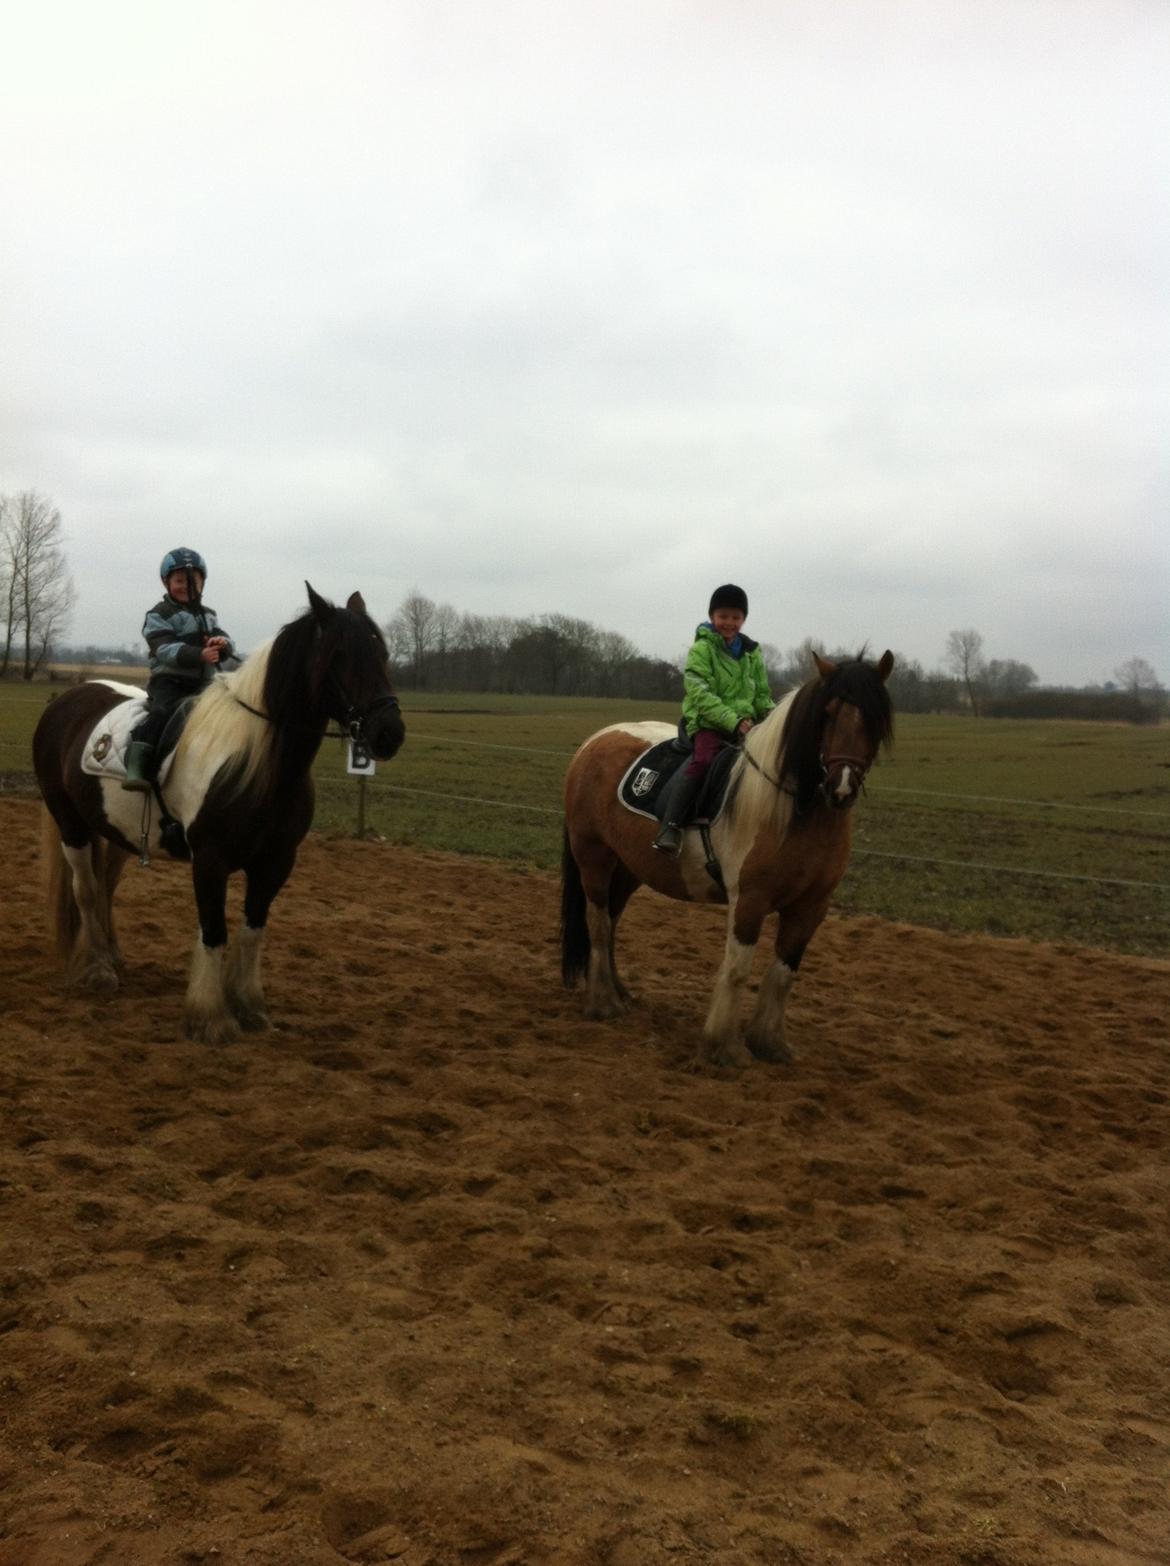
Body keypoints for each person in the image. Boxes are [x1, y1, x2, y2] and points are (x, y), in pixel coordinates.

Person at [652, 583, 774, 855]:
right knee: (704, 761)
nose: (728, 623)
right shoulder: (702, 650)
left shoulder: (752, 653)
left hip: (746, 725)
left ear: (743, 619)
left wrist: (773, 718)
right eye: (723, 616)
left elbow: (762, 694)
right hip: (708, 722)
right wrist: (732, 721)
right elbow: (700, 693)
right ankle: (671, 825)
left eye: (735, 617)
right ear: (712, 616)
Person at [122, 547, 236, 792]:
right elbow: (164, 649)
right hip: (169, 681)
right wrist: (198, 654)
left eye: (193, 581)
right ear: (166, 582)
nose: (187, 586)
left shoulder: (209, 615)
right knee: (162, 711)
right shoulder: (158, 615)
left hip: (204, 684)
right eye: (180, 581)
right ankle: (138, 761)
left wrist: (222, 645)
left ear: (202, 582)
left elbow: (224, 639)